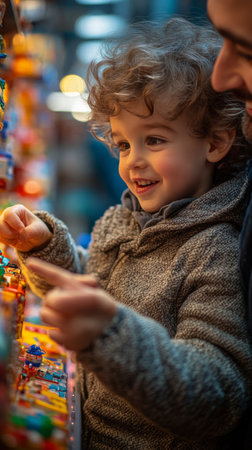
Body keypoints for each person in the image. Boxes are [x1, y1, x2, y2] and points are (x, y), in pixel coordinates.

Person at [0, 17, 252, 449]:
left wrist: (108, 334)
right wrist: (44, 247)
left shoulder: (213, 250)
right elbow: (91, 286)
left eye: (154, 140)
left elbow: (217, 395)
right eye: (123, 144)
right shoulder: (123, 219)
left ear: (215, 143)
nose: (132, 162)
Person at [207, 0, 252, 335]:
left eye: (248, 52)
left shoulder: (213, 250)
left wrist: (108, 332)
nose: (218, 79)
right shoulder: (128, 214)